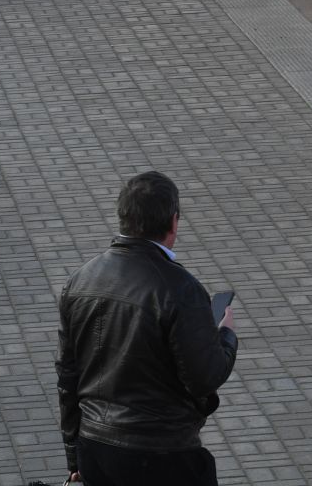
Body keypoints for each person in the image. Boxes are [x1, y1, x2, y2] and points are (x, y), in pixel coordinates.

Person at [59, 172, 238, 486]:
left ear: (123, 218)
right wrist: (225, 336)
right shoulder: (180, 288)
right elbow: (203, 377)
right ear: (174, 222)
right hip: (163, 455)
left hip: (97, 449)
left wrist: (75, 454)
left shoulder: (79, 280)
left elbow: (67, 375)